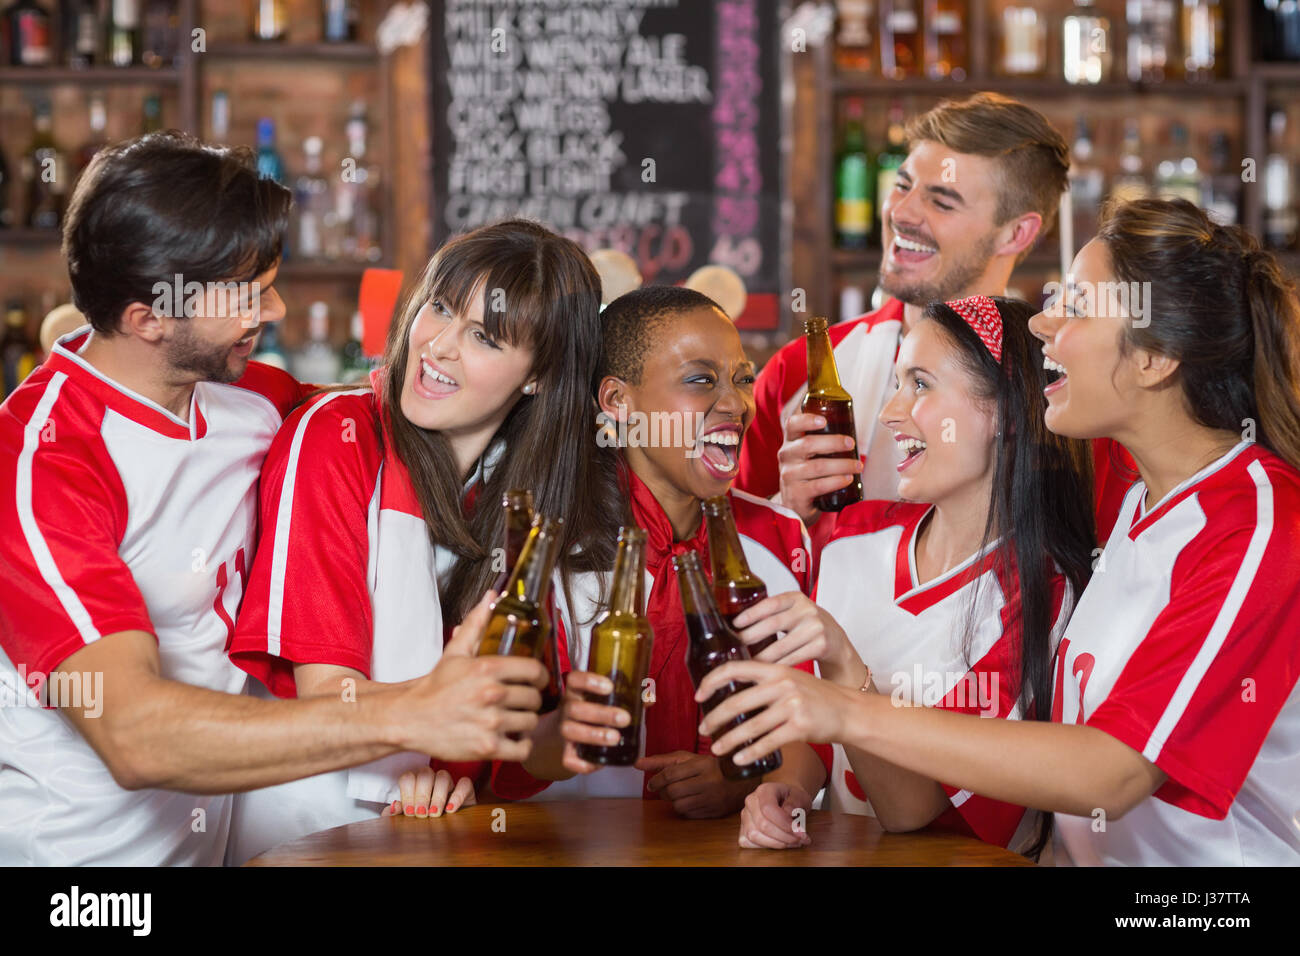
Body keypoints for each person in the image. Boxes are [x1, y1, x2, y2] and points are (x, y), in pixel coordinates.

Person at [694, 198, 1300, 866]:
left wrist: (844, 709)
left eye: (1076, 306)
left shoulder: (1258, 524)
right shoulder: (1142, 502)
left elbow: (1114, 771)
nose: (1042, 322)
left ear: (1155, 356)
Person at [0, 133, 545, 866]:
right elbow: (133, 735)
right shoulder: (38, 465)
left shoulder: (250, 395)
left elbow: (396, 415)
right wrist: (412, 712)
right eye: (249, 295)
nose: (277, 308)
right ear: (148, 318)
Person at [224, 219, 617, 862]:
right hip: (304, 829)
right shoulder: (336, 437)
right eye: (439, 307)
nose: (438, 345)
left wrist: (562, 732)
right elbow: (329, 695)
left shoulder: (521, 501)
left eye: (484, 336)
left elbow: (512, 750)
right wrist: (437, 721)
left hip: (425, 841)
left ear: (541, 376)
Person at [720, 295, 1093, 855]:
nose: (889, 413)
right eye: (897, 383)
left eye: (920, 384)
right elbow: (812, 733)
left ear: (1006, 413)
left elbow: (912, 811)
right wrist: (788, 787)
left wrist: (846, 664)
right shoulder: (851, 534)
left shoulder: (1042, 592)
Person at [484, 286, 831, 816]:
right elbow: (515, 749)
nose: (736, 404)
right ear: (617, 401)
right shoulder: (547, 545)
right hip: (566, 844)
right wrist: (568, 727)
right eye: (701, 380)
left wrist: (743, 781)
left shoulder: (780, 537)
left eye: (743, 379)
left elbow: (811, 728)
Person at [737, 92, 1133, 546]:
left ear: (1016, 233)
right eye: (901, 185)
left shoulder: (1073, 394)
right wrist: (787, 513)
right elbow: (729, 557)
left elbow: (1105, 561)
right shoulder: (796, 373)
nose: (901, 213)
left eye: (942, 202)